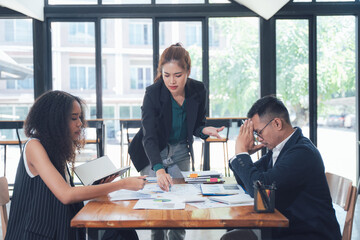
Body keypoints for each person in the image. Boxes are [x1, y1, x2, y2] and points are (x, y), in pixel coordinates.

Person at [5, 90, 146, 240]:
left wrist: (98, 187)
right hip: (37, 235)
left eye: (80, 117)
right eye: (74, 118)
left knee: (124, 232)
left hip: (59, 232)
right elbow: (66, 195)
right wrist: (122, 184)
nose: (80, 123)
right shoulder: (34, 146)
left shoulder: (55, 150)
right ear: (55, 120)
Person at [128, 43, 224, 240]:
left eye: (178, 75)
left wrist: (204, 130)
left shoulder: (198, 90)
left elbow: (197, 124)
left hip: (180, 150)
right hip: (151, 152)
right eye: (166, 75)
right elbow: (150, 137)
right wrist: (159, 168)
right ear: (161, 72)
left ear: (188, 71)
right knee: (158, 204)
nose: (172, 81)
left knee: (181, 201)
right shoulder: (153, 93)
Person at [222, 95, 341, 240]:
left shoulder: (301, 153)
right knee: (231, 237)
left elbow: (260, 190)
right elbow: (247, 181)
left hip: (308, 233)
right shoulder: (279, 150)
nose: (258, 138)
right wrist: (242, 154)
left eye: (259, 132)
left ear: (277, 124)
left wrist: (241, 153)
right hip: (286, 226)